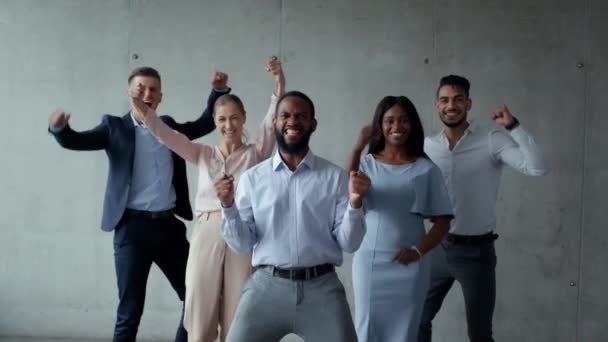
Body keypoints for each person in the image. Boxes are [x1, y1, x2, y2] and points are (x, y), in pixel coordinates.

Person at [47, 67, 230, 342]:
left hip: (169, 227)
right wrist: (60, 129)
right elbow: (78, 141)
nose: (147, 94)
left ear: (160, 97)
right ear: (129, 92)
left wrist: (217, 91)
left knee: (194, 298)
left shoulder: (167, 125)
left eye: (153, 89)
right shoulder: (114, 127)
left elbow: (204, 124)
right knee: (130, 310)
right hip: (131, 230)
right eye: (140, 88)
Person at [131, 59, 285, 342]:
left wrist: (278, 86)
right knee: (199, 302)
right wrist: (146, 115)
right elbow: (168, 137)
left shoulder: (256, 153)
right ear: (215, 121)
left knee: (239, 307)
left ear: (243, 118)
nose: (229, 125)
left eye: (235, 118)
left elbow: (270, 124)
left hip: (243, 232)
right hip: (207, 230)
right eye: (222, 119)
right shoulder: (202, 153)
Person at [214, 91, 371, 342]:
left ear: (313, 124)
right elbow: (240, 243)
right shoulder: (253, 179)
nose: (293, 121)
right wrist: (228, 205)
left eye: (301, 116)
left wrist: (355, 203)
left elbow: (349, 243)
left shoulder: (334, 178)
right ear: (275, 123)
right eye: (285, 115)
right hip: (266, 286)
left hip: (322, 289)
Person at [418, 75, 549, 342]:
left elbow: (537, 167)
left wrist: (513, 126)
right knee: (417, 320)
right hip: (437, 249)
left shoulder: (491, 139)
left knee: (479, 334)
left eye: (457, 99)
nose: (451, 105)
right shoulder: (427, 147)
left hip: (475, 253)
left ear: (468, 103)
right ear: (436, 105)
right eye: (444, 100)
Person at [346, 96, 453, 342]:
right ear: (379, 125)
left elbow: (443, 222)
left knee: (405, 333)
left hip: (410, 266)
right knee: (367, 331)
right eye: (390, 120)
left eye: (404, 120)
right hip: (370, 263)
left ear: (413, 125)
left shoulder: (425, 169)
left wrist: (417, 252)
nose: (397, 126)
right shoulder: (367, 164)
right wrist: (357, 147)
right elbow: (346, 193)